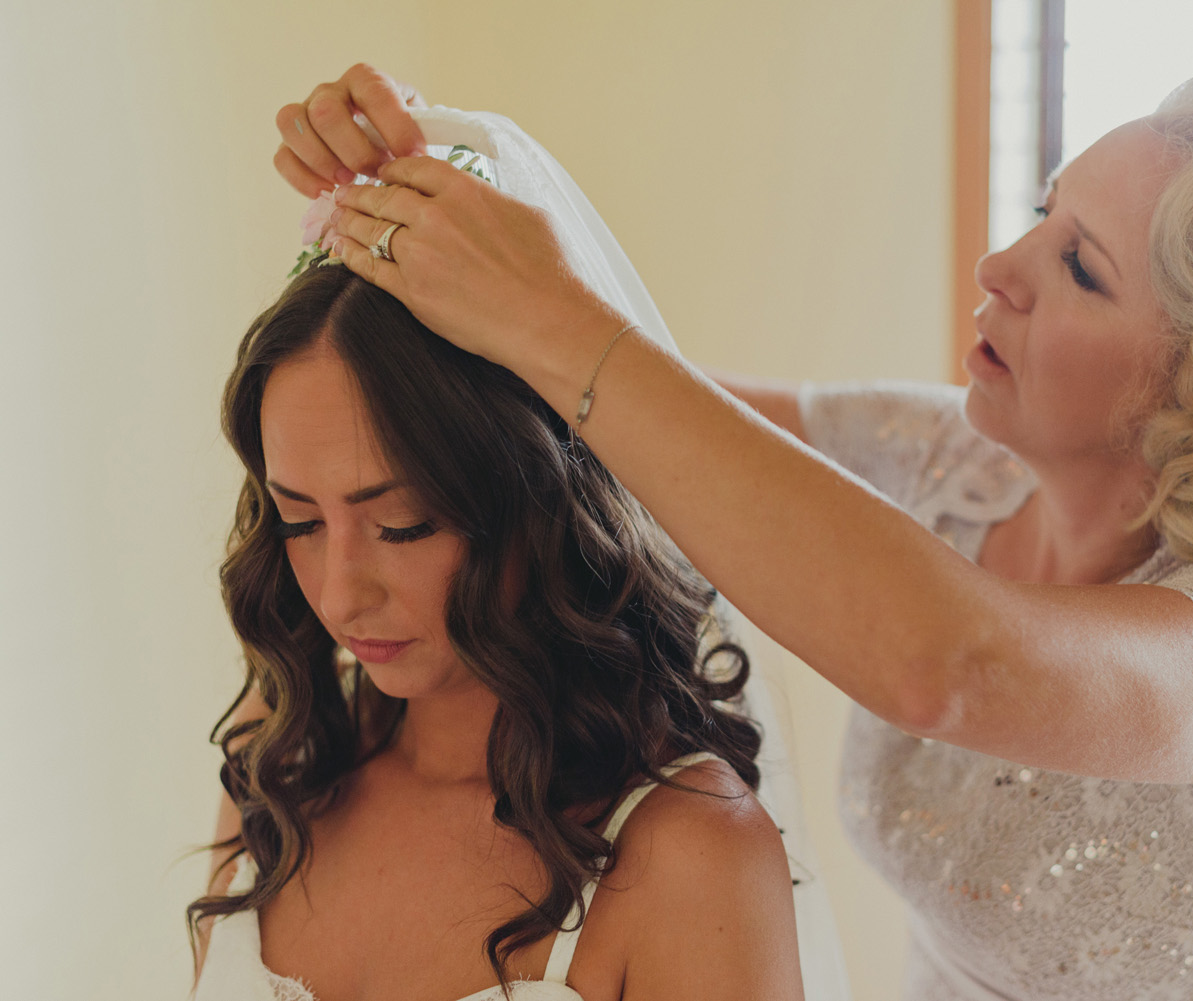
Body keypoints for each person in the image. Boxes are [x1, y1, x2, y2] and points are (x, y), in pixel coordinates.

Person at [275, 66, 1193, 1000]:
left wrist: (540, 312)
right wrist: (445, 172)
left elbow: (955, 664)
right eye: (1044, 213)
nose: (1001, 267)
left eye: (1080, 265)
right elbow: (632, 411)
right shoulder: (953, 460)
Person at [189, 112, 807, 1001]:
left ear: (537, 502)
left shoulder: (686, 852)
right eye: (299, 522)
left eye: (400, 525)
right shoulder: (282, 755)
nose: (338, 595)